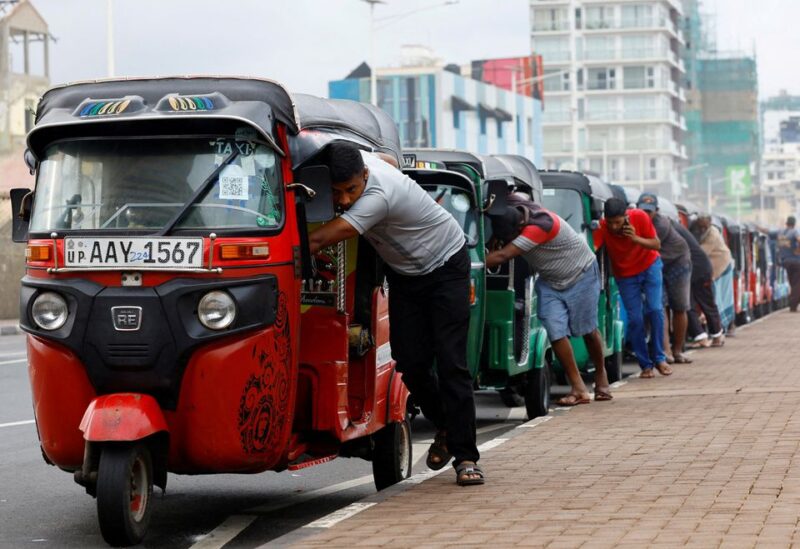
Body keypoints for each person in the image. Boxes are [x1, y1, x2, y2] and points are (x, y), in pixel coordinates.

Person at [307, 141, 483, 486]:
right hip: (406, 274)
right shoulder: (369, 161)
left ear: (366, 176)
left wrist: (285, 243)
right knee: (410, 361)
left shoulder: (378, 196)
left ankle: (466, 458)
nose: (343, 200)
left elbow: (328, 235)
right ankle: (446, 426)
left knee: (451, 363)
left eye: (351, 190)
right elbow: (388, 157)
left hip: (447, 264)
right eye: (336, 192)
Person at [485, 194, 612, 406]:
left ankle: (601, 376)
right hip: (551, 281)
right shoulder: (517, 206)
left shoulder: (540, 226)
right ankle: (578, 388)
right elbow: (502, 195)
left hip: (581, 274)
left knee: (588, 331)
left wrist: (464, 264)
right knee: (555, 332)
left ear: (518, 230)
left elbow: (502, 256)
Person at [593, 198, 673, 378]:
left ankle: (660, 358)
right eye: (611, 222)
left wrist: (634, 238)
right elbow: (594, 248)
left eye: (618, 222)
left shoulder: (640, 216)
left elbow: (656, 244)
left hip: (649, 266)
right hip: (625, 275)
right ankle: (645, 365)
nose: (614, 227)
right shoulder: (602, 226)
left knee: (654, 309)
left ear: (626, 216)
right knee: (635, 319)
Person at [636, 193, 692, 364]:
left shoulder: (660, 224)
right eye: (642, 211)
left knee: (680, 307)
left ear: (657, 211)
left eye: (649, 212)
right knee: (659, 307)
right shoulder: (633, 221)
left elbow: (642, 248)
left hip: (678, 262)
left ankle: (677, 350)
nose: (646, 215)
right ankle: (665, 352)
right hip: (656, 264)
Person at [672, 220, 724, 348]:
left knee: (701, 302)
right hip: (695, 268)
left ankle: (711, 336)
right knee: (694, 303)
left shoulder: (669, 228)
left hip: (698, 269)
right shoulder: (675, 226)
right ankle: (705, 335)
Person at [690, 215, 734, 344]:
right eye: (701, 226)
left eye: (704, 226)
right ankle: (718, 332)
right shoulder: (699, 229)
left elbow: (700, 253)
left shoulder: (712, 235)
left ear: (709, 224)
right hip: (709, 266)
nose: (702, 228)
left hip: (720, 265)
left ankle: (721, 330)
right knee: (712, 300)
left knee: (717, 298)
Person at [777, 215, 800, 312]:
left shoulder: (781, 233)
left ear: (787, 223)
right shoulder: (794, 231)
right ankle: (793, 305)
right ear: (794, 224)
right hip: (796, 262)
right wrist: (798, 250)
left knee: (793, 283)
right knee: (797, 284)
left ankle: (793, 303)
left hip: (785, 262)